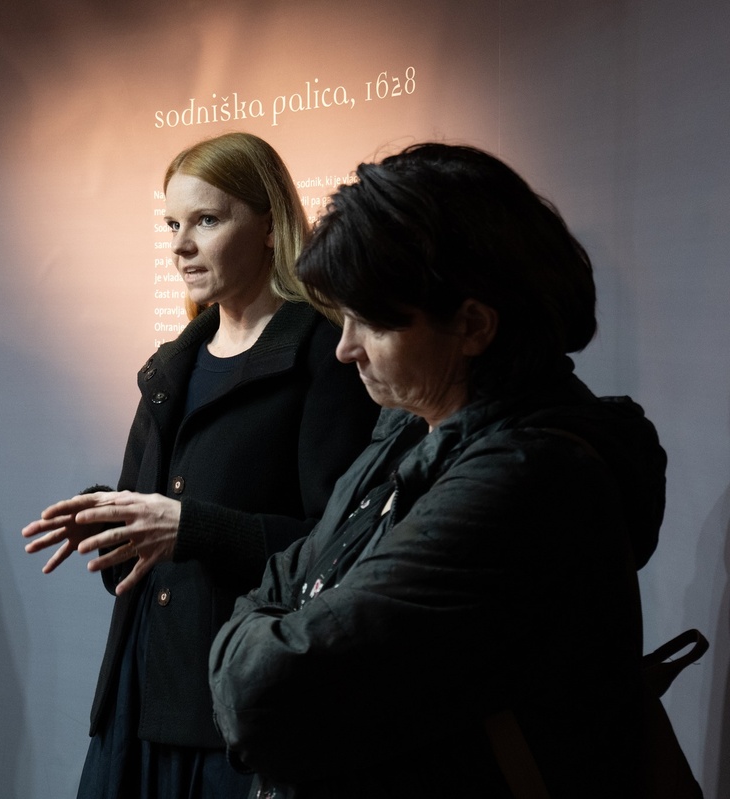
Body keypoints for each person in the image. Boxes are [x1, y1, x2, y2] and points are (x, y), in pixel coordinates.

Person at [208, 143, 668, 798]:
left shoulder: (529, 481)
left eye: (370, 323)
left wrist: (247, 640)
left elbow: (264, 695)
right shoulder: (406, 428)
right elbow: (286, 577)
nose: (345, 349)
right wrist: (266, 627)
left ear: (472, 325)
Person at [22, 132, 378, 798]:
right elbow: (143, 553)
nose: (180, 245)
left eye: (206, 220)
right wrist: (110, 522)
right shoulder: (172, 367)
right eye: (172, 225)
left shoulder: (324, 357)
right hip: (137, 707)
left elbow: (341, 553)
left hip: (238, 720)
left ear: (269, 226)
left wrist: (193, 528)